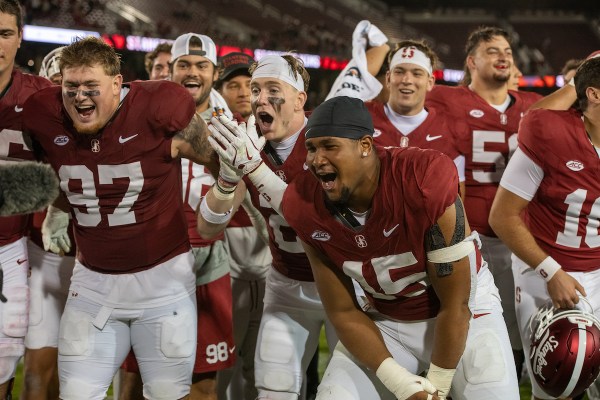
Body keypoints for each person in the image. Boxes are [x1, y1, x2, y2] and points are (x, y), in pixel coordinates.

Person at [210, 95, 521, 399]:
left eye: (330, 146)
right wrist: (401, 384)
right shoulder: (305, 205)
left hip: (465, 313)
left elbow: (456, 305)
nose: (316, 161)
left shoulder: (421, 180)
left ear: (365, 146)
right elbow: (343, 312)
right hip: (387, 320)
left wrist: (437, 386)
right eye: (311, 148)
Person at [22, 36, 215, 400]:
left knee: (166, 394)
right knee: (76, 394)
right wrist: (57, 210)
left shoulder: (159, 105)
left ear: (116, 84)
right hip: (92, 281)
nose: (79, 96)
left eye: (90, 87)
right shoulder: (43, 113)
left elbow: (220, 165)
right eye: (71, 87)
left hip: (163, 282)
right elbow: (53, 169)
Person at [198, 53, 338, 400]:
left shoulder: (329, 143)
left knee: (346, 391)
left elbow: (313, 222)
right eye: (256, 89)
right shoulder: (252, 144)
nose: (259, 97)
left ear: (299, 99)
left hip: (341, 285)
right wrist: (229, 179)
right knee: (273, 389)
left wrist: (252, 169)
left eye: (272, 88)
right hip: (286, 283)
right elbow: (207, 227)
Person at [425, 26, 542, 380]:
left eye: (506, 49)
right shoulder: (446, 99)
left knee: (522, 315)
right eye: (492, 50)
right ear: (471, 62)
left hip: (521, 232)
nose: (503, 55)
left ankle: (524, 366)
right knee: (468, 312)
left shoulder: (533, 106)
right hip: (468, 234)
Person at [489, 57, 600, 400]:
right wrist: (551, 271)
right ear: (595, 95)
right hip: (546, 268)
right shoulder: (551, 133)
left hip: (598, 265)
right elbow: (503, 216)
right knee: (558, 385)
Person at [213, 51, 273, 400]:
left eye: (248, 86)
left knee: (258, 365)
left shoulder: (275, 129)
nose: (241, 92)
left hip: (269, 259)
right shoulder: (213, 130)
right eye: (232, 84)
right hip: (229, 254)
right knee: (224, 361)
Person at [0, 1, 53, 398]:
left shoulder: (41, 98)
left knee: (3, 357)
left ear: (19, 38)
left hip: (10, 248)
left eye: (4, 34)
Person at [20, 45, 75, 400]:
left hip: (102, 267)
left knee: (83, 374)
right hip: (45, 259)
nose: (67, 94)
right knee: (40, 367)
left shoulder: (118, 129)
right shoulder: (33, 131)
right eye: (57, 84)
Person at [367, 40, 467, 198]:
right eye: (399, 71)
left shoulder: (449, 129)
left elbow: (456, 200)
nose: (407, 80)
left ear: (430, 82)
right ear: (388, 78)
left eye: (417, 73)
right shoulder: (362, 117)